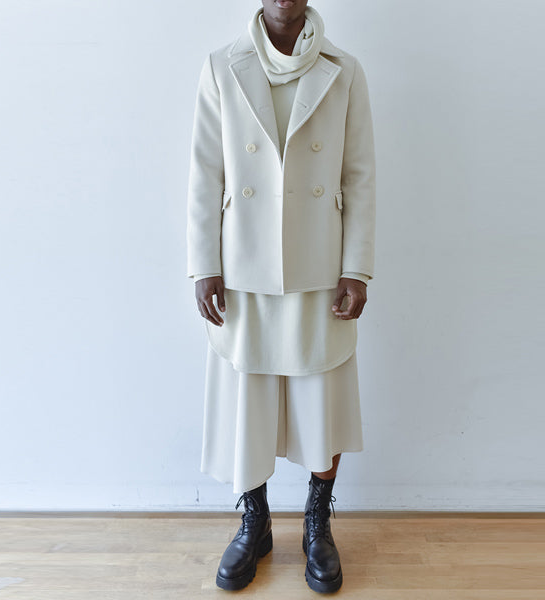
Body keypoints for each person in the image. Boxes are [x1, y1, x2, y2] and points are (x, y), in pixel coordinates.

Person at [186, 0, 375, 593]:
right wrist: (203, 266)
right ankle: (256, 520)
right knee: (250, 400)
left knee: (322, 395)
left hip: (320, 261)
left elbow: (359, 176)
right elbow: (205, 172)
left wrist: (357, 269)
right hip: (244, 263)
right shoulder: (222, 66)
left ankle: (318, 523)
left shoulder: (344, 69)